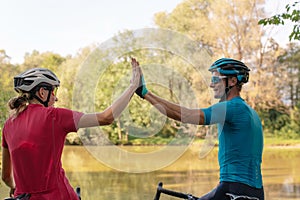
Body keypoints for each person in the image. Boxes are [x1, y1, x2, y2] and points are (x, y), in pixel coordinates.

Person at [2, 61, 141, 199]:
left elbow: (6, 177)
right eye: (53, 91)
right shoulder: (55, 116)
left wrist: (16, 188)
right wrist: (133, 87)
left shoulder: (8, 125)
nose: (56, 98)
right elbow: (107, 117)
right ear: (42, 92)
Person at [131, 57, 264, 200]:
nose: (212, 85)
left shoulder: (231, 108)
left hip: (233, 190)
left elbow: (186, 115)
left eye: (215, 79)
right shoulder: (252, 113)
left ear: (232, 81)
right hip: (255, 192)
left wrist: (145, 93)